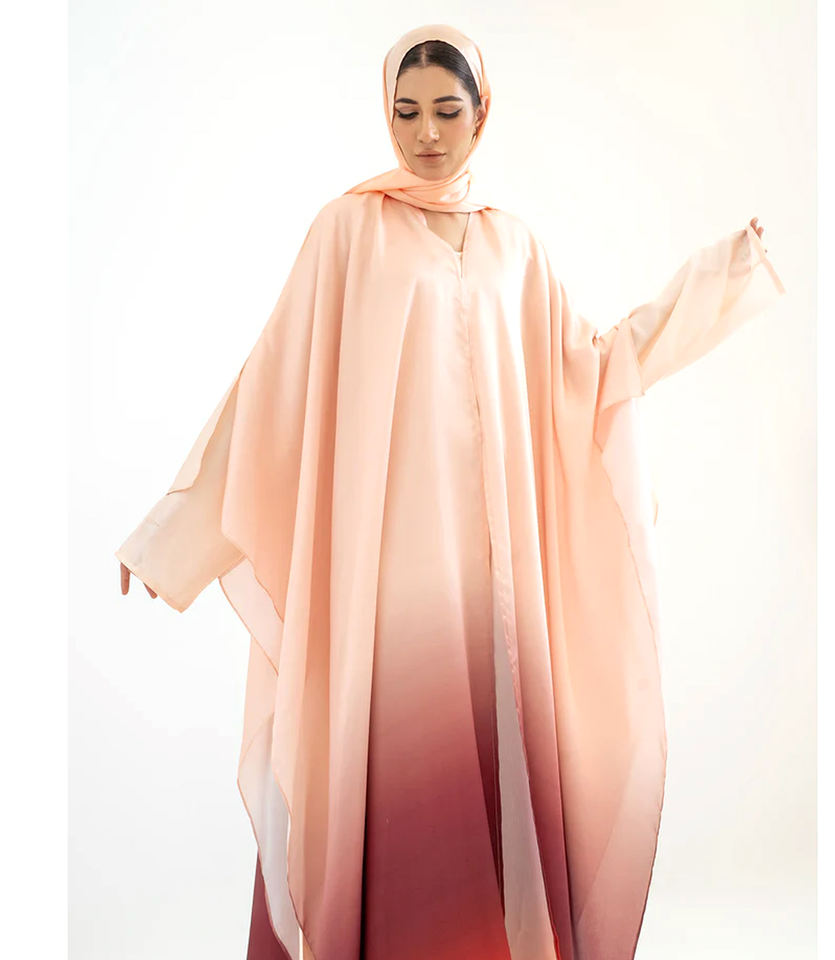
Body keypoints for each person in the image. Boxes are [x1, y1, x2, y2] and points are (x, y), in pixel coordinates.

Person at [115, 23, 785, 960]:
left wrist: (719, 277)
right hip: (389, 580)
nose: (425, 133)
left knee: (499, 761)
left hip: (498, 583)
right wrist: (169, 537)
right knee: (397, 768)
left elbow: (593, 370)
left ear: (481, 113)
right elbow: (270, 389)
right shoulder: (347, 232)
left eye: (445, 110)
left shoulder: (515, 246)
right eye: (405, 112)